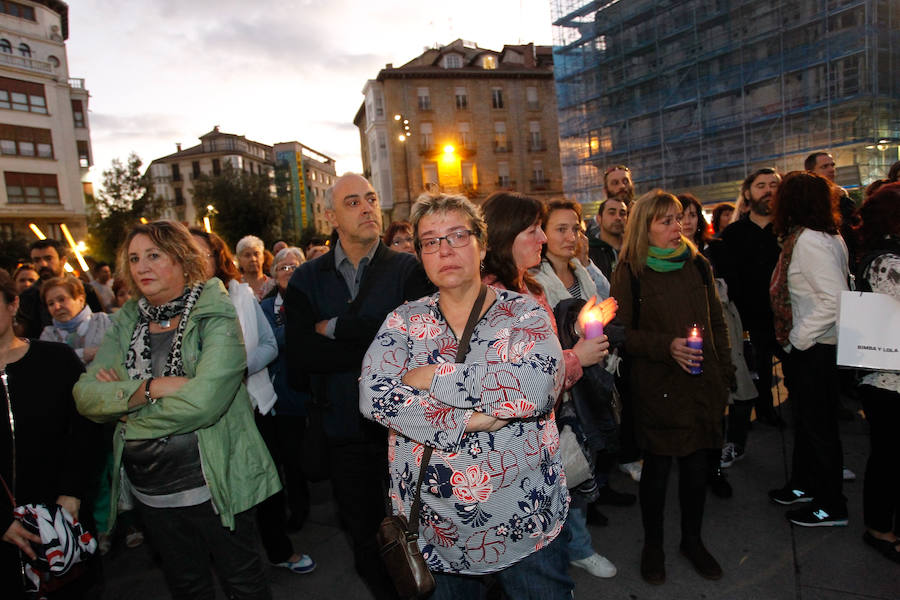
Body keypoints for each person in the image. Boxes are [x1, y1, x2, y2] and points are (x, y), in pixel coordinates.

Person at [360, 192, 573, 598]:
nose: (445, 249)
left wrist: (429, 377)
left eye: (457, 235)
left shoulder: (523, 314)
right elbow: (373, 395)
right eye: (430, 241)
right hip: (437, 535)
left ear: (483, 243)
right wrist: (470, 418)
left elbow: (534, 389)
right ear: (421, 255)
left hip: (526, 524)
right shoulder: (403, 322)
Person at [73, 220, 281, 600]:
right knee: (188, 588)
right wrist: (152, 387)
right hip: (150, 492)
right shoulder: (126, 319)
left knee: (244, 584)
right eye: (134, 258)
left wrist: (124, 404)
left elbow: (204, 403)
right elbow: (85, 396)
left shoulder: (214, 309)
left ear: (183, 260)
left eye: (154, 255)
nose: (141, 267)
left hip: (217, 481)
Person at [283, 173, 432, 599]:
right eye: (353, 202)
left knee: (426, 528)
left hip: (407, 429)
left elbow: (416, 345)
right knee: (367, 537)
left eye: (371, 198)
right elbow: (302, 357)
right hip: (343, 431)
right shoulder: (307, 280)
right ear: (330, 216)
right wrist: (380, 338)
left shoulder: (407, 270)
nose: (368, 208)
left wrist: (338, 328)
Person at [610, 190, 734, 585]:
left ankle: (692, 541)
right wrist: (667, 347)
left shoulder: (697, 264)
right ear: (644, 227)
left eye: (679, 218)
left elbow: (716, 321)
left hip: (702, 382)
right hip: (658, 386)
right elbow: (620, 333)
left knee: (699, 466)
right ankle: (653, 544)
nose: (676, 227)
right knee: (659, 470)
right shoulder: (629, 270)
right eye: (665, 221)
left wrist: (725, 371)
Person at [191, 228, 314, 574]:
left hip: (255, 404)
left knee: (267, 482)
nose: (197, 261)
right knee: (217, 489)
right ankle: (227, 562)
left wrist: (233, 371)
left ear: (218, 258)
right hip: (205, 415)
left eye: (205, 253)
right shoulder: (177, 306)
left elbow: (269, 345)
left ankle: (278, 551)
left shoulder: (240, 295)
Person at [531, 198, 622, 579]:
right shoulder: (536, 280)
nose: (571, 237)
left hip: (590, 382)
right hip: (561, 391)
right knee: (569, 470)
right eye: (561, 229)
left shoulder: (581, 271)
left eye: (576, 228)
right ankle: (577, 549)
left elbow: (602, 303)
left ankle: (575, 542)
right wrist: (588, 326)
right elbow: (550, 339)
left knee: (581, 467)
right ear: (542, 235)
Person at [0, 269, 104, 599]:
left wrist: (73, 492)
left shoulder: (55, 359)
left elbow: (87, 427)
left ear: (12, 304)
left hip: (64, 519)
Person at [767, 172, 849, 527]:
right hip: (813, 346)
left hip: (813, 348)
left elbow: (834, 300)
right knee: (807, 422)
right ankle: (803, 484)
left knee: (819, 428)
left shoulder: (811, 241)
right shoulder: (821, 236)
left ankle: (831, 505)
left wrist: (798, 339)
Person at [853, 183, 900, 562]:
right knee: (887, 456)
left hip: (890, 374)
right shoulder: (886, 261)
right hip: (887, 376)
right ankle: (879, 528)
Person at [718, 168, 786, 429]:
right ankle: (762, 412)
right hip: (749, 316)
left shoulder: (785, 231)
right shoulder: (733, 234)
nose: (768, 191)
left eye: (773, 185)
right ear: (748, 193)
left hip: (784, 317)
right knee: (757, 369)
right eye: (761, 186)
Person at [260, 247, 311, 532]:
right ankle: (281, 511)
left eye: (295, 267)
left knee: (297, 459)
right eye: (283, 267)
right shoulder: (265, 309)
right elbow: (270, 343)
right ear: (273, 273)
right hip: (273, 394)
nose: (289, 273)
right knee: (277, 458)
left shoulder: (310, 302)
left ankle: (301, 508)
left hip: (301, 391)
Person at [15, 239, 102, 339]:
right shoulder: (27, 297)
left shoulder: (86, 290)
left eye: (48, 258)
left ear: (63, 260)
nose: (43, 264)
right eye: (37, 260)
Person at [39, 276, 113, 366]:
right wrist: (84, 354)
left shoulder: (104, 322)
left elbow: (116, 352)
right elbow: (48, 364)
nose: (57, 307)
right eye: (51, 303)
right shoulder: (48, 335)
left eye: (62, 299)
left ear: (81, 300)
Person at [236, 235, 275, 301]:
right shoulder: (235, 287)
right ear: (239, 260)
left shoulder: (273, 286)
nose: (253, 259)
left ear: (263, 258)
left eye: (256, 254)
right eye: (247, 255)